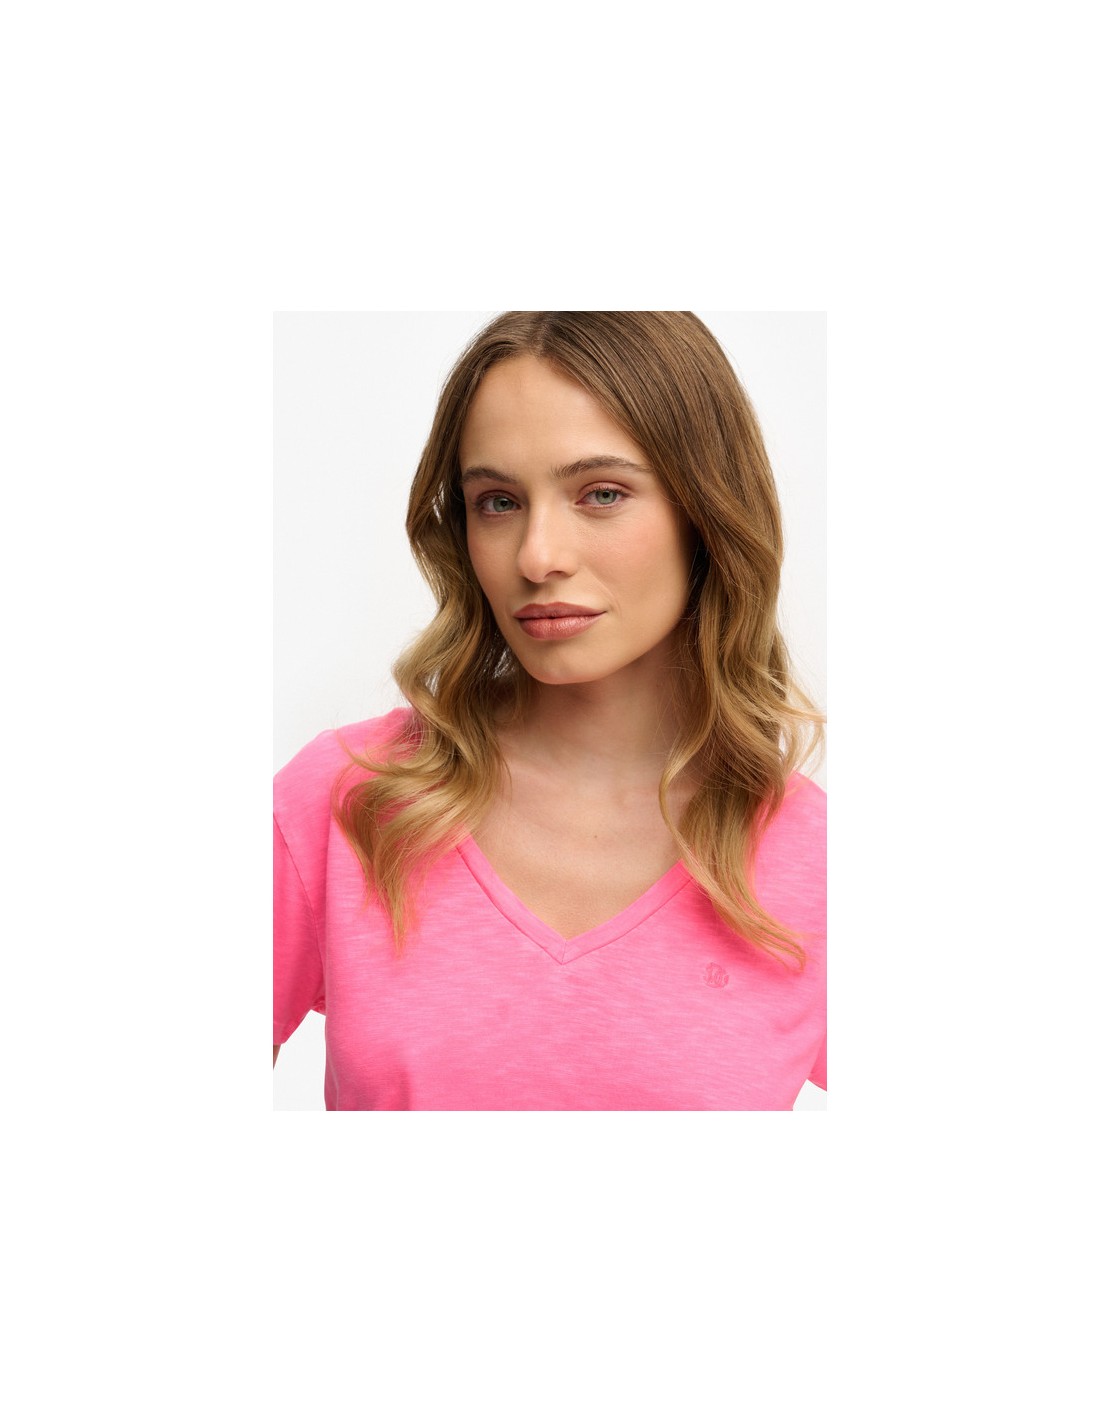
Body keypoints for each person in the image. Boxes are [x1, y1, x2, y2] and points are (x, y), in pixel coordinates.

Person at [273, 311, 825, 1110]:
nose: (537, 557)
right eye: (497, 502)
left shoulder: (817, 864)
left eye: (601, 494)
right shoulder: (345, 800)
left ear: (706, 512)